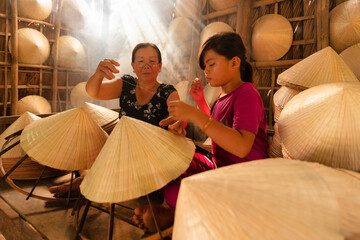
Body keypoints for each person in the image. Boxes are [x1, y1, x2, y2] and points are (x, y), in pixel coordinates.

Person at [133, 32, 269, 232]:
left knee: (182, 185)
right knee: (171, 163)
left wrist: (196, 116)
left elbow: (241, 146)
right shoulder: (224, 94)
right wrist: (199, 103)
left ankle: (172, 212)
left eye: (211, 64)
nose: (206, 71)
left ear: (234, 63)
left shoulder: (247, 94)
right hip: (220, 167)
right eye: (204, 66)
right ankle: (172, 209)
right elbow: (218, 125)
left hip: (246, 176)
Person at [49, 42, 186, 197]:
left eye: (152, 61)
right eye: (140, 61)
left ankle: (87, 181)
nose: (146, 66)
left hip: (150, 155)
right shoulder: (126, 84)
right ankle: (87, 178)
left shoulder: (168, 92)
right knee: (90, 145)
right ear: (133, 66)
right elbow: (94, 91)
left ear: (160, 66)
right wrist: (98, 74)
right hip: (121, 147)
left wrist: (176, 122)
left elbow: (177, 116)